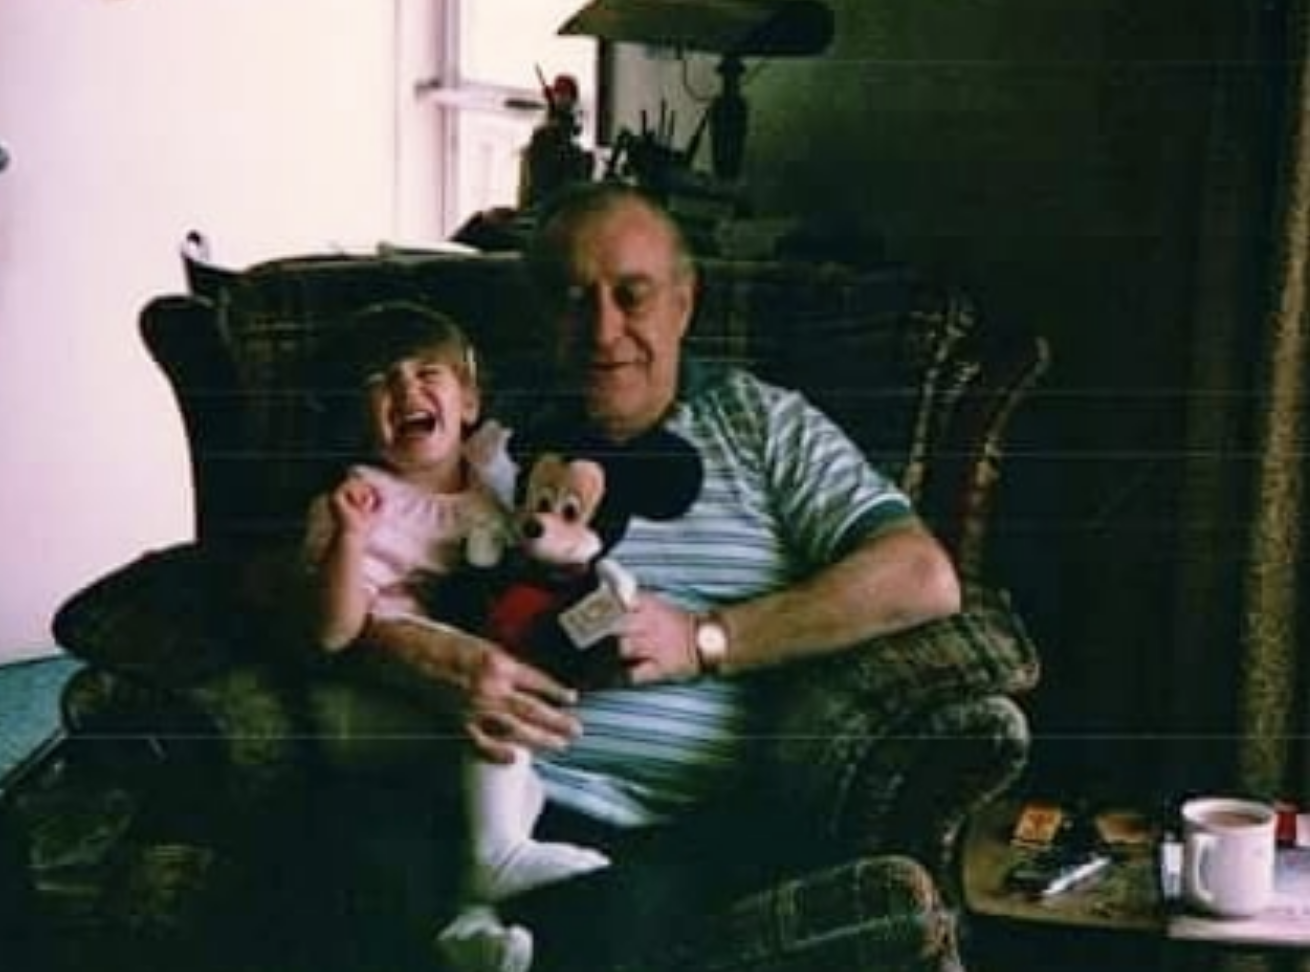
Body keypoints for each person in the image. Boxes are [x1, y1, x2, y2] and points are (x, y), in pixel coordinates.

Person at [352, 184, 963, 972]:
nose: (603, 331)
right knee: (354, 882)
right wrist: (409, 654)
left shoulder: (763, 425)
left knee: (596, 935)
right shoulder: (483, 435)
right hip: (466, 791)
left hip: (657, 823)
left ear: (684, 300)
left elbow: (921, 575)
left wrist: (708, 638)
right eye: (574, 300)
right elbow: (291, 567)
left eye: (631, 296)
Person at [280, 301, 612, 971]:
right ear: (360, 420)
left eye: (427, 372)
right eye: (381, 381)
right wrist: (350, 540)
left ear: (470, 402)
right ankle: (498, 858)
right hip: (364, 705)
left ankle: (471, 919)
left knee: (516, 774)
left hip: (442, 707)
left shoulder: (493, 483)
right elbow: (333, 633)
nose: (406, 388)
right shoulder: (358, 500)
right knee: (504, 721)